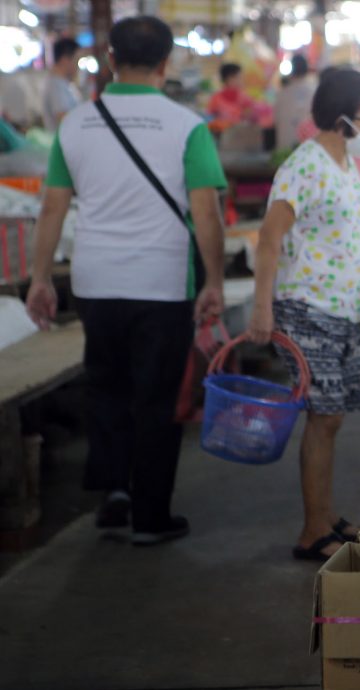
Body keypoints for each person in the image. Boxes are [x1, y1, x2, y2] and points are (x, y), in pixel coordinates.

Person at [25, 15, 227, 545]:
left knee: (107, 388)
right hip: (161, 283)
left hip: (95, 281)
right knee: (156, 398)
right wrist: (214, 283)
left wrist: (41, 278)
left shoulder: (75, 124)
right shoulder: (187, 127)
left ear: (110, 60)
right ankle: (150, 516)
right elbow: (206, 214)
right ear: (166, 64)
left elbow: (51, 209)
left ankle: (114, 496)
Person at [246, 69, 360, 561]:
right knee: (323, 418)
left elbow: (355, 230)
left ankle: (324, 514)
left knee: (333, 418)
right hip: (307, 307)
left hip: (342, 306)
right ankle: (311, 530)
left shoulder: (344, 163)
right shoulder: (304, 165)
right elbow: (269, 238)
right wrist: (263, 307)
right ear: (344, 115)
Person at [294, 66, 360, 261]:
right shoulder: (307, 165)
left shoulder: (348, 160)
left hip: (347, 267)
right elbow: (271, 238)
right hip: (317, 282)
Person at [274, 54, 315, 151]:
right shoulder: (313, 91)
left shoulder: (282, 92)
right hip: (307, 149)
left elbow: (275, 118)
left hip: (285, 147)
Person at [43, 37, 83, 130]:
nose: (78, 66)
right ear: (65, 60)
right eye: (76, 60)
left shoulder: (63, 83)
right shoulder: (55, 85)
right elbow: (63, 119)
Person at [207, 63, 261, 127]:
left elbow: (252, 112)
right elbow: (210, 117)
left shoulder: (243, 96)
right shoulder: (216, 99)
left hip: (240, 132)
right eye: (239, 77)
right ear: (229, 79)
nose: (242, 81)